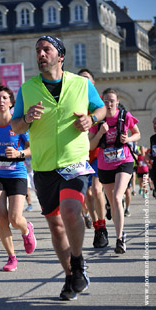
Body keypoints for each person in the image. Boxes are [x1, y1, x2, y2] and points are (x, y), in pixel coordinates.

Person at [11, 35, 106, 300]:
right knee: (55, 226)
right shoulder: (27, 88)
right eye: (38, 50)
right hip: (43, 166)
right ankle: (71, 276)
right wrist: (27, 118)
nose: (41, 53)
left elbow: (101, 111)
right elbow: (15, 126)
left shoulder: (81, 84)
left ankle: (77, 263)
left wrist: (90, 119)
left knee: (71, 210)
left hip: (74, 161)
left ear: (60, 55)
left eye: (46, 49)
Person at [0, 85, 36, 272]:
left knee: (14, 217)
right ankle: (12, 257)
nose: (1, 101)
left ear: (11, 102)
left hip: (17, 174)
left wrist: (19, 154)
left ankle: (26, 229)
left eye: (4, 98)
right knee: (1, 216)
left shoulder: (18, 124)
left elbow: (32, 149)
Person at [89, 88, 140, 254]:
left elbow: (137, 134)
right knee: (113, 202)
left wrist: (128, 139)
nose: (109, 104)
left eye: (112, 101)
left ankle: (120, 238)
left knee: (118, 198)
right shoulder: (98, 121)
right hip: (105, 165)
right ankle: (117, 223)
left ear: (117, 102)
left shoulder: (125, 116)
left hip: (124, 160)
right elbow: (91, 145)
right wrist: (101, 132)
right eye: (106, 101)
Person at [78, 68, 108, 248]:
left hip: (97, 154)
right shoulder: (73, 102)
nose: (83, 83)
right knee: (87, 194)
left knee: (96, 190)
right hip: (81, 155)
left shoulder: (97, 105)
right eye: (80, 80)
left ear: (93, 83)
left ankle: (101, 228)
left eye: (86, 80)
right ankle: (96, 225)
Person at [147, 117, 156, 198]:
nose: (154, 125)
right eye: (153, 123)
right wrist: (148, 156)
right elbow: (152, 154)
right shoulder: (152, 138)